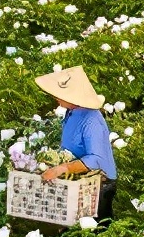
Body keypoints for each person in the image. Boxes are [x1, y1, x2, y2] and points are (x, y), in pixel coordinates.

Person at [34, 66, 117, 224]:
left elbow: (96, 159)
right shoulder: (72, 112)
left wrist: (62, 168)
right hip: (80, 180)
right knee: (73, 228)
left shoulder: (91, 120)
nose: (56, 97)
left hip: (100, 185)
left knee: (95, 231)